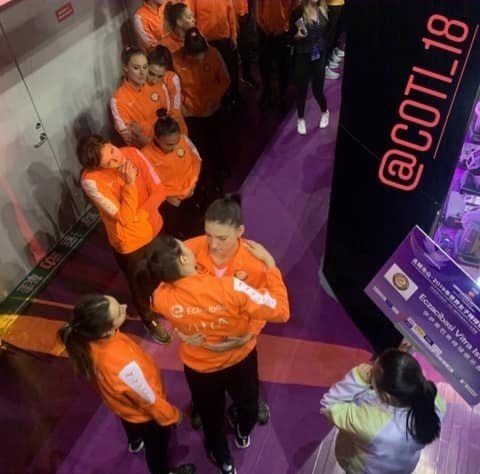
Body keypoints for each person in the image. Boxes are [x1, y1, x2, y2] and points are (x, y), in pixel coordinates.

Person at [135, 235, 290, 474]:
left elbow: (163, 305)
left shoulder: (160, 297)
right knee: (248, 405)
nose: (191, 247)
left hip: (200, 370)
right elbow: (280, 311)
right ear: (183, 258)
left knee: (211, 418)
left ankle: (223, 460)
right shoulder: (231, 287)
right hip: (239, 360)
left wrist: (181, 330)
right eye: (184, 245)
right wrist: (270, 265)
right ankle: (242, 433)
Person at [57, 294, 196, 474]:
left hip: (124, 406)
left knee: (130, 422)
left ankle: (135, 441)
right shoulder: (124, 367)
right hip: (145, 415)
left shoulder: (88, 340)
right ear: (106, 330)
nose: (124, 306)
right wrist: (172, 415)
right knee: (157, 449)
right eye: (119, 311)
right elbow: (149, 400)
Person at [185, 195, 274, 429]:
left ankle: (249, 405)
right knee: (204, 394)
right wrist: (180, 328)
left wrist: (250, 334)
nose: (213, 244)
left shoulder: (256, 263)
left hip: (239, 345)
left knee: (246, 393)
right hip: (201, 345)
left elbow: (265, 304)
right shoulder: (188, 251)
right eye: (208, 235)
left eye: (222, 238)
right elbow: (171, 290)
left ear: (240, 231)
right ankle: (202, 406)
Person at [78, 134, 171, 344]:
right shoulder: (90, 181)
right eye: (108, 162)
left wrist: (141, 214)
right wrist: (130, 183)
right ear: (98, 167)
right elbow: (123, 218)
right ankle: (149, 321)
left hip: (154, 227)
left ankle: (166, 302)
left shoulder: (133, 153)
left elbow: (160, 190)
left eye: (112, 151)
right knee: (141, 286)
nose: (116, 159)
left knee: (163, 271)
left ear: (110, 143)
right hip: (130, 243)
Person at [321, 349, 446, 474]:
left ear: (386, 396)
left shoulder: (370, 423)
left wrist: (357, 378)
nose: (369, 368)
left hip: (365, 469)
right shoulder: (436, 402)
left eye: (372, 372)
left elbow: (330, 404)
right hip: (403, 466)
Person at [173, 28, 231, 192]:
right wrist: (181, 107)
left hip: (212, 111)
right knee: (198, 150)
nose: (199, 61)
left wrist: (215, 100)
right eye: (195, 59)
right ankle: (202, 180)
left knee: (216, 144)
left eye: (202, 57)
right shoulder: (175, 60)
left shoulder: (214, 55)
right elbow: (173, 86)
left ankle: (219, 174)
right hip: (191, 114)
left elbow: (225, 80)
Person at [142, 110, 204, 238]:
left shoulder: (184, 139)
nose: (175, 147)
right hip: (171, 203)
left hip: (191, 191)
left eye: (176, 142)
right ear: (157, 138)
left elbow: (197, 160)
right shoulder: (144, 156)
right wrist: (167, 198)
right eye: (169, 144)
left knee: (197, 224)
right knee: (176, 232)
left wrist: (193, 184)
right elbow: (147, 185)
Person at [111, 47, 170, 148]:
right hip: (144, 151)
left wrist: (140, 131)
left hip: (166, 145)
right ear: (125, 67)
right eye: (136, 68)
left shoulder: (159, 86)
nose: (142, 73)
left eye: (145, 67)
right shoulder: (118, 100)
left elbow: (168, 119)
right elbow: (131, 139)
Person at [291, 0, 330, 135]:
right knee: (301, 89)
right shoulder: (298, 12)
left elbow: (328, 34)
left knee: (317, 89)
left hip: (319, 54)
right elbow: (291, 37)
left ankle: (325, 111)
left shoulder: (325, 11)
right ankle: (300, 118)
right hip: (303, 55)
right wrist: (297, 36)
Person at [189, 0, 241, 103]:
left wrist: (233, 35)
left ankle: (234, 95)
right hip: (206, 41)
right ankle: (218, 101)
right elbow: (191, 18)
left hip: (224, 38)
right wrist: (196, 41)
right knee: (210, 75)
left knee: (231, 70)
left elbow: (230, 13)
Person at [256, 0, 297, 111]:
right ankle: (267, 92)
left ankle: (282, 94)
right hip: (265, 32)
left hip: (283, 33)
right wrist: (263, 26)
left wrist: (285, 27)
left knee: (283, 67)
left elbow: (294, 9)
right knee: (264, 64)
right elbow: (258, 8)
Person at [147, 45, 188, 135]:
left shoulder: (171, 78)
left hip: (171, 130)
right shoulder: (140, 80)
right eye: (151, 73)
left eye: (160, 76)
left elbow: (175, 111)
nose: (154, 80)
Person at [325, 0, 344, 79]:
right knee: (328, 36)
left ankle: (329, 57)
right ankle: (324, 66)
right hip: (331, 4)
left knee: (335, 33)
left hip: (338, 3)